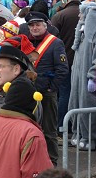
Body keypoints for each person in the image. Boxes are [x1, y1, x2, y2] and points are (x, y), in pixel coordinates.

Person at [25, 11, 68, 166]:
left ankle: (52, 163)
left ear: (45, 25)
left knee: (49, 131)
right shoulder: (26, 42)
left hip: (46, 94)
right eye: (31, 25)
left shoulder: (55, 43)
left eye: (37, 24)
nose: (34, 28)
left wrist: (51, 88)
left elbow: (62, 69)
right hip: (28, 92)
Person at [67, 2, 96, 150]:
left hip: (88, 78)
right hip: (78, 76)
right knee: (75, 103)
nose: (79, 16)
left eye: (81, 13)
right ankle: (79, 133)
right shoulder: (84, 31)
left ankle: (92, 137)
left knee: (88, 105)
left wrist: (93, 75)